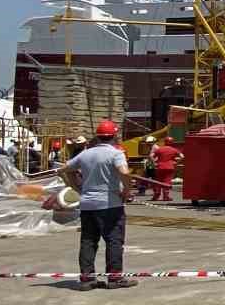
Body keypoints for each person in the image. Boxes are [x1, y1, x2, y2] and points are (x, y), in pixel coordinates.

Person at [60, 119, 137, 291]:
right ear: (114, 136)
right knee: (114, 241)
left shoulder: (86, 153)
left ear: (98, 136)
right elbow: (124, 172)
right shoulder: (116, 153)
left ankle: (87, 279)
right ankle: (115, 277)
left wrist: (76, 187)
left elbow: (65, 169)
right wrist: (127, 191)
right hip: (110, 205)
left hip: (87, 205)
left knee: (88, 241)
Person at [149, 136, 182, 202]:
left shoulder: (160, 149)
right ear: (172, 142)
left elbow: (151, 156)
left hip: (160, 167)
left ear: (165, 142)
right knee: (167, 181)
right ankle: (166, 196)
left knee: (158, 181)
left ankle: (156, 196)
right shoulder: (174, 150)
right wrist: (176, 163)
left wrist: (154, 163)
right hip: (170, 167)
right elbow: (182, 156)